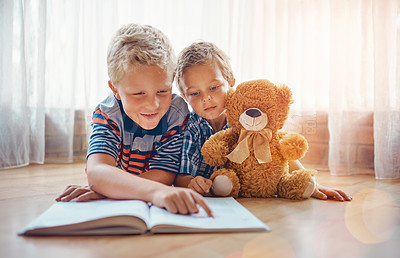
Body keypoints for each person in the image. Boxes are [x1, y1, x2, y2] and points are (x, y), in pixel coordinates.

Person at [56, 24, 213, 217]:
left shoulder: (176, 114)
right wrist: (156, 192)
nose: (153, 105)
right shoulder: (108, 113)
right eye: (139, 93)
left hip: (126, 184)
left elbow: (164, 174)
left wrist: (109, 189)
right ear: (115, 90)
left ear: (171, 80)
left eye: (162, 91)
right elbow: (97, 170)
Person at [173, 41, 352, 201]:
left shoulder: (250, 119)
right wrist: (192, 182)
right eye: (195, 93)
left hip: (252, 191)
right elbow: (182, 175)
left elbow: (277, 149)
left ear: (231, 83)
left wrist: (315, 185)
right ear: (185, 97)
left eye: (214, 87)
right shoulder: (191, 128)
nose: (207, 98)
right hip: (217, 195)